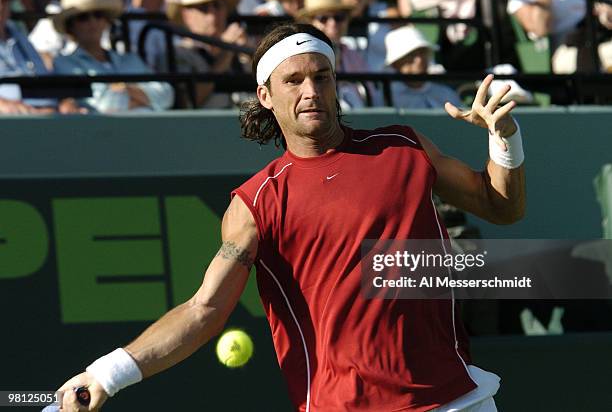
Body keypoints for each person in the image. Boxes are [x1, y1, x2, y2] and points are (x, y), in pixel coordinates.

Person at [57, 23, 525, 411]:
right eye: (294, 80)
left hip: (455, 399)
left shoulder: (404, 148)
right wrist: (107, 374)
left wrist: (504, 138)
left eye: (322, 77)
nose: (311, 91)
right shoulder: (254, 203)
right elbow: (204, 310)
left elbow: (501, 207)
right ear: (265, 94)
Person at [52, 0, 174, 113]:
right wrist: (141, 97)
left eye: (98, 15)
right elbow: (102, 105)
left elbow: (167, 94)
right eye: (83, 17)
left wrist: (125, 90)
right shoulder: (64, 63)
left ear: (106, 21)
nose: (93, 22)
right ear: (70, 26)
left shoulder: (130, 59)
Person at [297, 0, 383, 109]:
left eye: (339, 17)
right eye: (323, 18)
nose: (333, 24)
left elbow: (373, 98)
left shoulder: (352, 55)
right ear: (309, 22)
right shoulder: (299, 56)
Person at [0, 0, 81, 114]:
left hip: (44, 119)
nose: (0, 2)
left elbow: (43, 81)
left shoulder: (20, 38)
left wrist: (63, 102)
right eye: (83, 18)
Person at [168, 0, 251, 108]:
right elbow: (187, 102)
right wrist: (227, 53)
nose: (212, 14)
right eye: (203, 8)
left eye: (217, 5)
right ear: (186, 15)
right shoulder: (179, 53)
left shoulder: (239, 47)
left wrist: (250, 55)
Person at [384, 25, 462, 109]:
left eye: (422, 52)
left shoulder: (447, 94)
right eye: (411, 55)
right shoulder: (384, 97)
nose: (419, 60)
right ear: (395, 64)